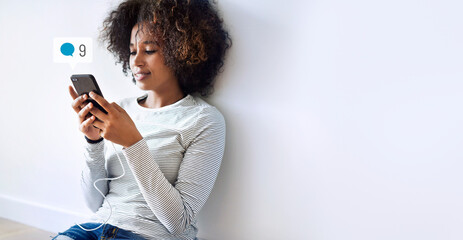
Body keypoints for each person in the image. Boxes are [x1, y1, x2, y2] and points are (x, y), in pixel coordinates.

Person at [52, 0, 231, 239]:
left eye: (149, 50)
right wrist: (93, 143)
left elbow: (178, 223)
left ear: (181, 50)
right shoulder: (120, 110)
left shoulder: (204, 120)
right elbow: (93, 204)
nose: (136, 62)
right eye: (132, 51)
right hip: (95, 229)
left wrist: (133, 144)